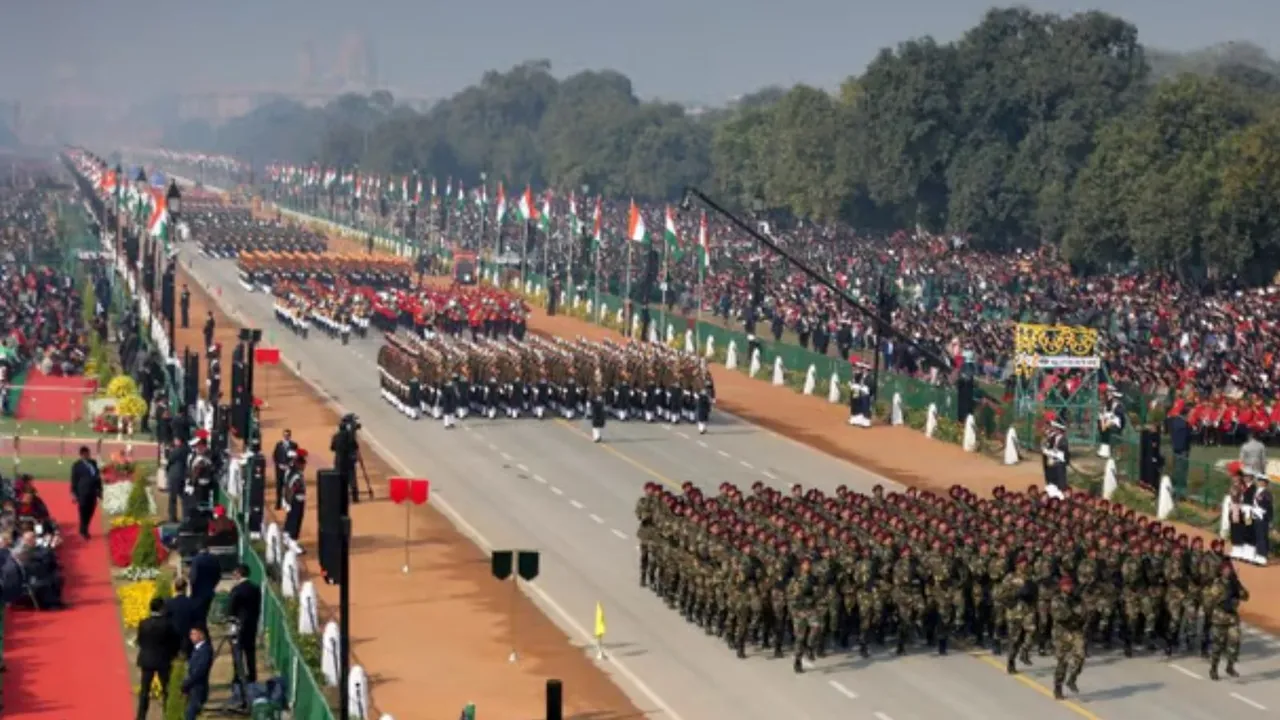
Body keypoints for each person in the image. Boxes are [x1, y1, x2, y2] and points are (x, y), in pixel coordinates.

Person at [136, 596, 181, 720]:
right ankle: (168, 714)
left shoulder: (143, 623)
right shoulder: (167, 624)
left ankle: (141, 716)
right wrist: (173, 654)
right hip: (163, 660)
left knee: (144, 691)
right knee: (166, 690)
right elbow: (175, 642)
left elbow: (140, 640)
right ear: (162, 608)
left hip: (147, 660)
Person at [226, 563, 262, 702]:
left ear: (239, 574)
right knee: (250, 652)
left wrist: (230, 622)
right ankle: (252, 676)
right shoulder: (255, 588)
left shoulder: (236, 590)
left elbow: (231, 609)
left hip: (238, 626)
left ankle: (238, 678)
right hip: (251, 625)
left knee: (237, 653)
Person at [69, 445, 102, 539]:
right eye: (85, 454)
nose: (87, 455)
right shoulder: (77, 465)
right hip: (82, 493)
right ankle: (83, 531)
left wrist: (100, 490)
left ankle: (85, 528)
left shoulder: (93, 463)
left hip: (93, 492)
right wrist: (73, 493)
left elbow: (98, 478)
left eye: (88, 453)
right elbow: (74, 480)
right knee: (83, 512)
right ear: (81, 455)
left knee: (90, 511)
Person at [182, 626, 213, 720]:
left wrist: (187, 683)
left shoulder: (205, 650)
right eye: (191, 634)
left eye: (194, 634)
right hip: (193, 687)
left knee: (190, 714)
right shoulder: (196, 649)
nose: (191, 636)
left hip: (198, 687)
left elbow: (200, 670)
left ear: (201, 635)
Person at [165, 577, 199, 657]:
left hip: (173, 637)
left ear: (175, 588)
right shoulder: (191, 603)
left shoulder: (169, 603)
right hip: (188, 637)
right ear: (185, 588)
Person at [283, 448, 308, 553]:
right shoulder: (295, 475)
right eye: (303, 464)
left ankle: (287, 536)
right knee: (296, 520)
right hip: (296, 500)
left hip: (296, 500)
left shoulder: (294, 472)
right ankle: (293, 541)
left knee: (293, 518)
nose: (304, 466)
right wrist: (287, 501)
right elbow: (290, 489)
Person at [188, 547, 222, 626]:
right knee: (205, 613)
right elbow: (218, 575)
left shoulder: (196, 559)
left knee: (198, 616)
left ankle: (200, 629)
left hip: (198, 592)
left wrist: (192, 587)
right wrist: (213, 585)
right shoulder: (214, 559)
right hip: (209, 591)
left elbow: (193, 576)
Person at [1251, 474, 1273, 566]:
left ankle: (1262, 558)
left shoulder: (1267, 493)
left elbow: (1267, 506)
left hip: (1262, 518)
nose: (1260, 482)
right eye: (1259, 480)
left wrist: (1260, 511)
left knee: (1261, 537)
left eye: (1262, 481)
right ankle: (1260, 555)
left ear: (1266, 483)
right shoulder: (1257, 491)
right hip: (1255, 516)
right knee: (1257, 537)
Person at [271, 429, 295, 510]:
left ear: (290, 436)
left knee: (289, 486)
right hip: (280, 469)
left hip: (289, 469)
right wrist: (279, 465)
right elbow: (275, 456)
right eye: (285, 435)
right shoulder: (279, 445)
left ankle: (289, 503)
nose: (286, 436)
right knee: (279, 486)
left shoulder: (294, 445)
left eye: (288, 435)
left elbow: (296, 456)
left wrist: (290, 465)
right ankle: (278, 503)